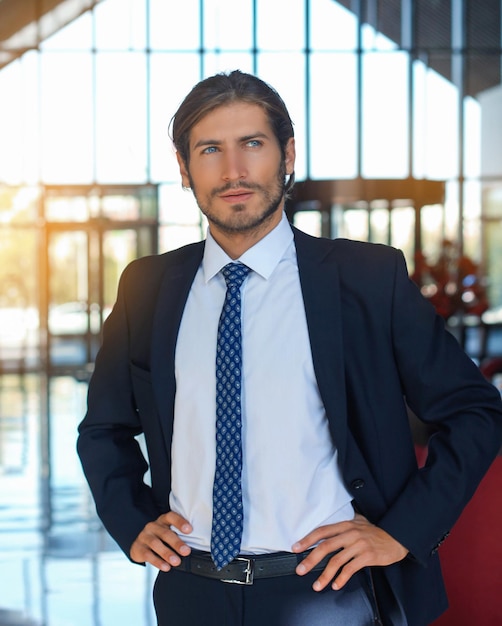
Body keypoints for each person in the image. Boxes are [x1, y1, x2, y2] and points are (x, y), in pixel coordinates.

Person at [77, 70, 502, 626]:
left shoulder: (367, 278)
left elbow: (475, 412)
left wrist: (402, 533)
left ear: (287, 155)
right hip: (191, 591)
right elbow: (103, 428)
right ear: (184, 168)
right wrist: (130, 520)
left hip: (327, 591)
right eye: (210, 149)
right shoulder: (147, 286)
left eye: (252, 144)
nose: (233, 170)